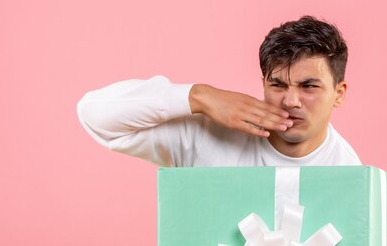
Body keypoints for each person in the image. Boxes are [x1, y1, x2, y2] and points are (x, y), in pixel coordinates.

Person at [77, 16, 361, 167]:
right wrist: (199, 96)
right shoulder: (207, 135)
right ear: (263, 83)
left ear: (339, 93)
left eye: (309, 86)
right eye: (278, 84)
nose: (290, 101)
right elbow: (93, 114)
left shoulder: (348, 172)